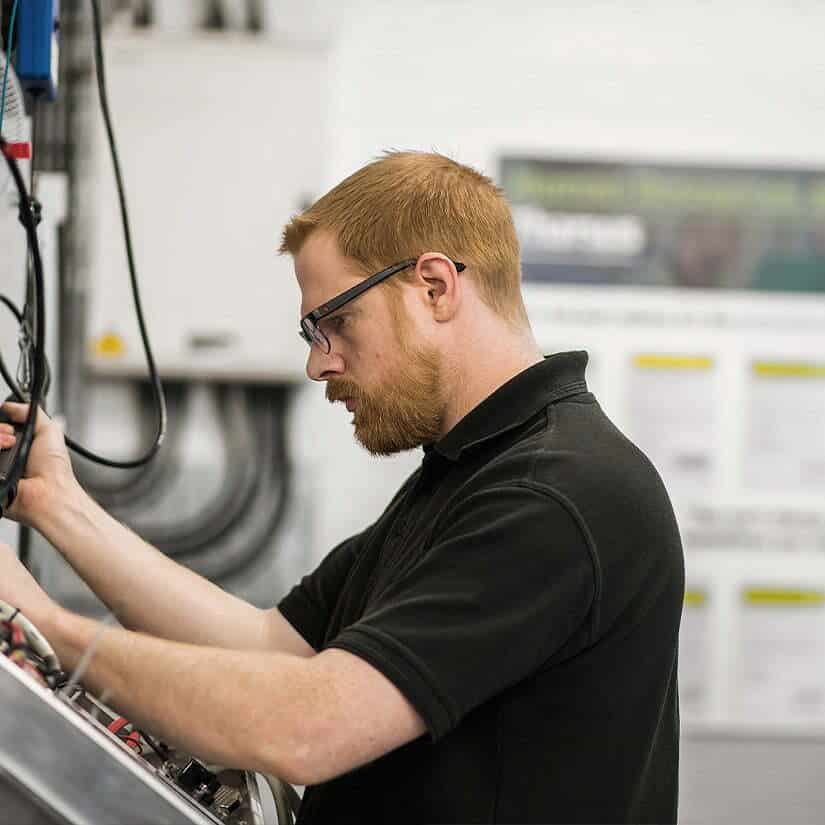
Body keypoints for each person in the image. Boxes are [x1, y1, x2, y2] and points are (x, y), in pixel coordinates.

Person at [0, 151, 684, 824]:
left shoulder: (556, 494)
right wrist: (58, 507)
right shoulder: (469, 472)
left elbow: (307, 725)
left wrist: (46, 627)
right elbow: (270, 644)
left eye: (336, 321)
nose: (318, 362)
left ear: (436, 287)